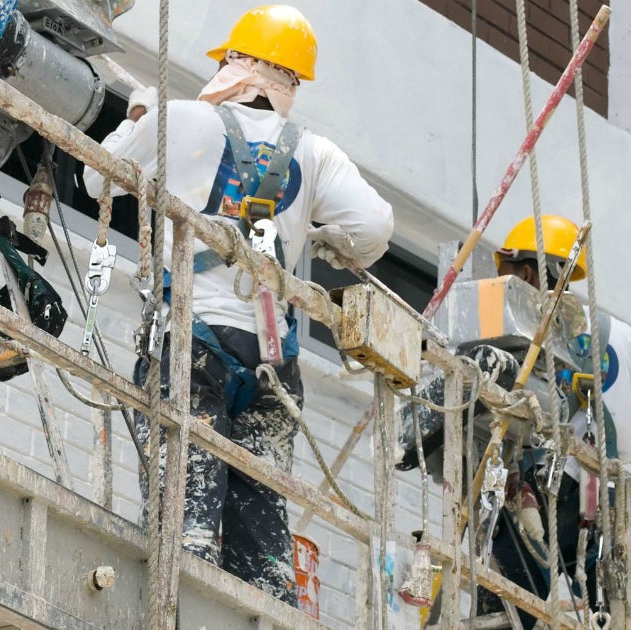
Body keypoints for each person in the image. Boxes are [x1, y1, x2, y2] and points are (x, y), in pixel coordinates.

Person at [83, 5, 394, 605]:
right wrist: (324, 239)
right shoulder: (315, 153)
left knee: (186, 525)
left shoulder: (187, 120)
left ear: (237, 64)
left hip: (190, 347)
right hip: (273, 367)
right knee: (261, 545)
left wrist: (143, 116)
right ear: (290, 84)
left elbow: (99, 182)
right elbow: (375, 231)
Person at [482, 215, 631, 629]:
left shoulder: (523, 326)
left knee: (503, 607)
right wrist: (618, 431)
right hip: (609, 498)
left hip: (544, 489)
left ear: (526, 272)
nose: (504, 290)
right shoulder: (624, 337)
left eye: (507, 278)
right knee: (624, 616)